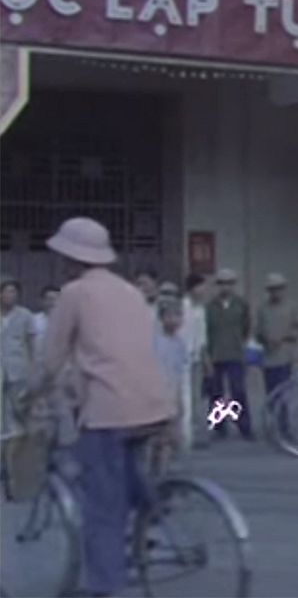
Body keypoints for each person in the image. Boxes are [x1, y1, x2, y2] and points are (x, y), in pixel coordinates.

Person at [28, 217, 175, 598]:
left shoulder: (74, 293)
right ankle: (152, 511)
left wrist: (32, 393)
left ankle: (103, 585)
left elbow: (52, 357)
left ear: (68, 257)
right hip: (153, 403)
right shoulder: (130, 292)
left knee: (100, 506)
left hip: (110, 408)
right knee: (125, 475)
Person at [205, 268, 254, 441]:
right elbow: (206, 332)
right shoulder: (210, 307)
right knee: (216, 393)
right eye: (221, 283)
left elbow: (247, 327)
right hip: (216, 354)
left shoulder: (241, 304)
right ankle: (219, 427)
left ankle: (245, 427)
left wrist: (243, 346)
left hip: (235, 354)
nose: (225, 287)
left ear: (233, 285)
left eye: (229, 283)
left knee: (238, 392)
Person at [151, 296, 189, 475]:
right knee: (158, 442)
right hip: (155, 397)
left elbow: (178, 373)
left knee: (172, 441)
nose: (174, 320)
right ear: (161, 318)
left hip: (172, 397)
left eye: (178, 316)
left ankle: (165, 476)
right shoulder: (154, 341)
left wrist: (179, 399)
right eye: (170, 316)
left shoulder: (180, 343)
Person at [255, 273, 298, 402]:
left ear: (283, 289)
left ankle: (283, 421)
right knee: (271, 393)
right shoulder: (263, 309)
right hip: (268, 358)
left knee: (284, 393)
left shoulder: (292, 307)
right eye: (272, 289)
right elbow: (257, 332)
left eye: (278, 288)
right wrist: (265, 339)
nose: (276, 292)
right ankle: (271, 420)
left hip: (285, 357)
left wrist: (284, 338)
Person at [1, 276, 36, 438]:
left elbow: (31, 343)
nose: (10, 295)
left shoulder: (25, 315)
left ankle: (19, 447)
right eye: (7, 292)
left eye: (13, 292)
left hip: (18, 368)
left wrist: (32, 369)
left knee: (19, 409)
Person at [181, 273, 210, 451]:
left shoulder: (200, 309)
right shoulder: (182, 307)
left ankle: (193, 433)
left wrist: (206, 359)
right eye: (201, 287)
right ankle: (185, 436)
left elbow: (202, 337)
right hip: (181, 357)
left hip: (196, 357)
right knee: (184, 397)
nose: (204, 291)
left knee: (195, 397)